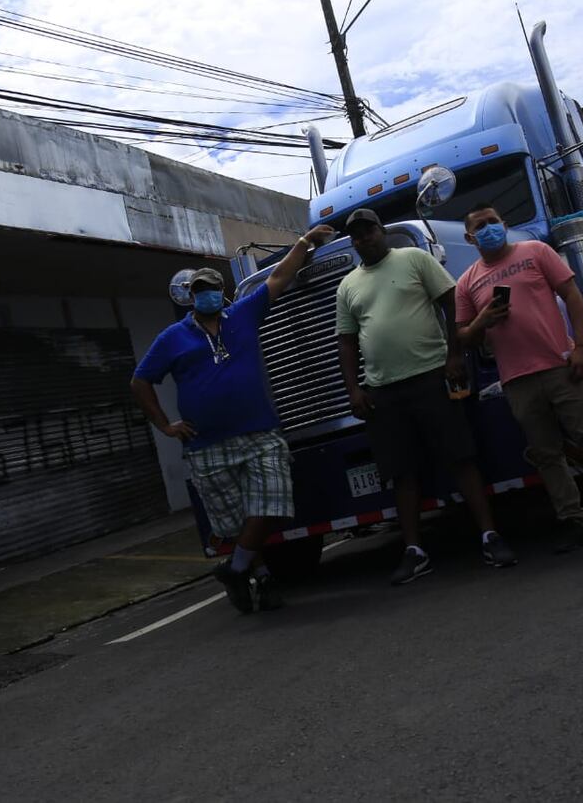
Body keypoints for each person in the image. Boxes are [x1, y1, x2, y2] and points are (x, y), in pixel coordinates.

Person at [131, 227, 331, 613]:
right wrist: (165, 425)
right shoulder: (172, 337)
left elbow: (279, 277)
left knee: (270, 502)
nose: (206, 292)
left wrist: (304, 243)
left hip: (259, 432)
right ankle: (261, 580)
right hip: (207, 443)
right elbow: (140, 381)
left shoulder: (242, 313)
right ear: (192, 298)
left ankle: (236, 568)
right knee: (236, 519)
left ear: (221, 290)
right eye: (199, 288)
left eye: (212, 286)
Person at [335, 209, 516, 585]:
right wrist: (355, 388)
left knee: (461, 458)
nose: (363, 238)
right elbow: (347, 342)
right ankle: (414, 551)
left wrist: (454, 356)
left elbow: (451, 303)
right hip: (383, 391)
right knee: (402, 473)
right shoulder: (348, 286)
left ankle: (489, 535)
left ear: (381, 231)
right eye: (356, 235)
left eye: (368, 230)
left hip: (432, 377)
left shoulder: (414, 258)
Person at [456, 205, 583, 552]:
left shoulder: (536, 251)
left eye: (493, 222)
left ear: (505, 223)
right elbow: (464, 336)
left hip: (562, 365)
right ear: (470, 238)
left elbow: (573, 295)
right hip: (517, 380)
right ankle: (574, 522)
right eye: (479, 226)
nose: (488, 230)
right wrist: (483, 320)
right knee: (546, 455)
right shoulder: (466, 282)